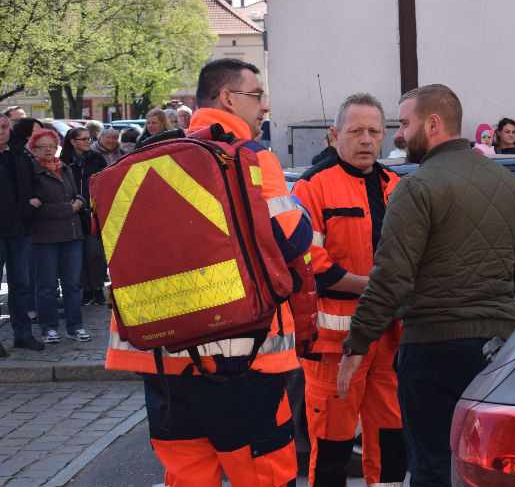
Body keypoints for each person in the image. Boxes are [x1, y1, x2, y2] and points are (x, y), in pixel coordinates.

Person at [104, 58, 313, 487]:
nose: (264, 108)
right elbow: (293, 240)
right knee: (265, 476)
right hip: (245, 360)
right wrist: (301, 210)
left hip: (162, 360)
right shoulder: (250, 157)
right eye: (257, 97)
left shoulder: (148, 160)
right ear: (228, 99)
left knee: (187, 477)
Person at [337, 84, 515, 486]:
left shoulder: (416, 187)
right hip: (496, 348)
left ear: (432, 124)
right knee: (485, 466)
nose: (398, 134)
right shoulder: (504, 181)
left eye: (404, 122)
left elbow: (391, 279)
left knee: (432, 467)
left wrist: (356, 344)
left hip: (433, 350)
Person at [292, 93, 407, 487]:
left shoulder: (396, 185)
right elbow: (312, 266)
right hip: (333, 343)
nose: (366, 140)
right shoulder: (312, 187)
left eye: (374, 131)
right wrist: (376, 287)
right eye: (355, 131)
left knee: (392, 443)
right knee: (332, 450)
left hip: (391, 336)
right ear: (334, 135)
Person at [28, 129, 91, 344]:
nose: (48, 150)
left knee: (72, 285)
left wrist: (80, 201)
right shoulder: (32, 172)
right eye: (42, 146)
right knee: (46, 286)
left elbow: (77, 193)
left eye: (52, 146)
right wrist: (69, 208)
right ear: (33, 149)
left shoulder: (64, 168)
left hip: (72, 234)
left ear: (58, 147)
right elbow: (36, 206)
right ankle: (48, 328)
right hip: (45, 237)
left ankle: (75, 327)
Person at [0, 113, 44, 354]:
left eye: (5, 127)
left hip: (19, 230)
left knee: (21, 285)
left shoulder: (19, 154)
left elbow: (36, 183)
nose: (1, 131)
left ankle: (23, 334)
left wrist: (36, 200)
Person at [60, 127, 108, 306]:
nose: (89, 141)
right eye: (84, 139)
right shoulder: (63, 161)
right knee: (78, 255)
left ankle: (97, 288)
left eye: (90, 138)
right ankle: (86, 289)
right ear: (73, 142)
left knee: (95, 253)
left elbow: (105, 182)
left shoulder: (96, 159)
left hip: (93, 212)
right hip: (72, 212)